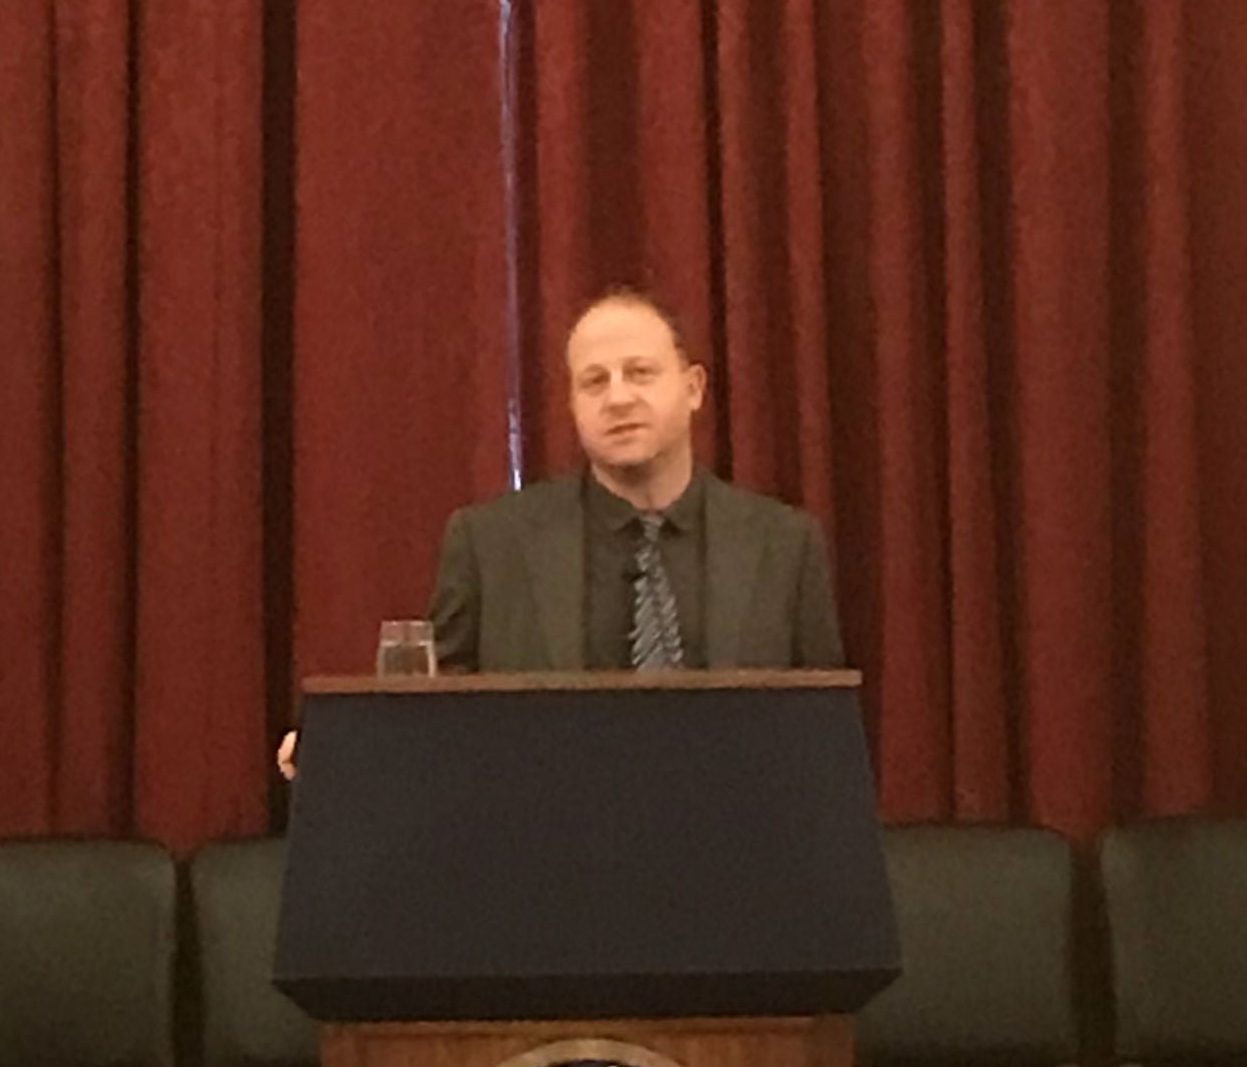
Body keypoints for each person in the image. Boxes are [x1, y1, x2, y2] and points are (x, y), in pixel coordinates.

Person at [277, 290, 842, 773]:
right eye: (593, 382)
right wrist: (347, 746)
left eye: (640, 373)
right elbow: (431, 708)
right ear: (572, 405)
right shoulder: (490, 544)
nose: (618, 397)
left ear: (693, 388)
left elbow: (825, 735)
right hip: (542, 861)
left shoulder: (783, 545)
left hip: (738, 860)